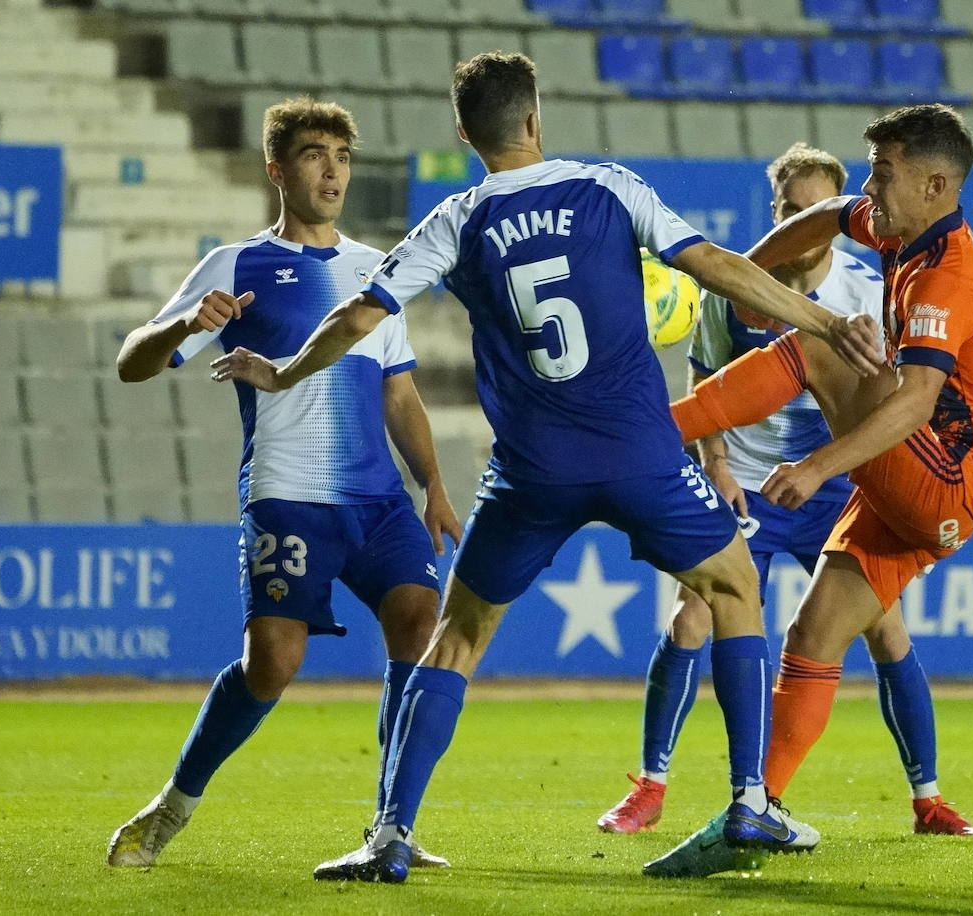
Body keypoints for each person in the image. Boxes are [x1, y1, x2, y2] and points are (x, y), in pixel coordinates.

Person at [211, 52, 884, 884]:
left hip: (532, 474)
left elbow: (357, 316)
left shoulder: (456, 221)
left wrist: (281, 373)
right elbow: (714, 264)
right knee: (735, 586)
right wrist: (822, 321)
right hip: (640, 454)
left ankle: (390, 832)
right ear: (535, 119)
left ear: (465, 134)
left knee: (455, 639)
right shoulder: (609, 187)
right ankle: (751, 797)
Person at [649, 104, 973, 877]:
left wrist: (817, 467)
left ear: (937, 183)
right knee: (814, 638)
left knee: (820, 344)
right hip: (928, 494)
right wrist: (748, 282)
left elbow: (914, 401)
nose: (871, 186)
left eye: (885, 171)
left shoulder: (951, 276)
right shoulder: (901, 228)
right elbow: (823, 213)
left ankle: (647, 430)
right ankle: (759, 811)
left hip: (940, 479)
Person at [105, 98, 463, 870]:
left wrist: (431, 484)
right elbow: (132, 361)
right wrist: (181, 326)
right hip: (287, 492)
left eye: (341, 153)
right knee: (273, 660)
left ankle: (390, 827)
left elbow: (398, 391)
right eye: (312, 153)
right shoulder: (235, 264)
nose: (332, 168)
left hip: (377, 500)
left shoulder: (378, 270)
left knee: (420, 621)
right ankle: (174, 805)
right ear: (277, 169)